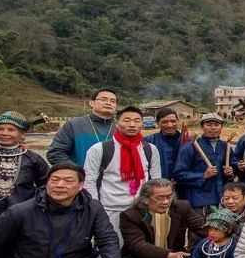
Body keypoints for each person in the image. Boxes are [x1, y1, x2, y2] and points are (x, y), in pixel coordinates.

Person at [83, 106, 162, 238]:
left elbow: (156, 180)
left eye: (137, 121)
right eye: (126, 120)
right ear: (116, 122)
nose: (132, 124)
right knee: (112, 249)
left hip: (142, 210)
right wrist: (96, 209)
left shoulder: (150, 149)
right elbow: (89, 180)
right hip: (111, 211)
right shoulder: (99, 149)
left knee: (142, 250)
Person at [0, 111, 50, 224]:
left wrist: (34, 206)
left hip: (21, 216)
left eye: (11, 130)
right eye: (0, 129)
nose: (5, 133)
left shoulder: (34, 159)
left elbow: (46, 186)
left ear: (21, 134)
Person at [173, 113, 233, 214]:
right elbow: (178, 174)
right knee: (200, 229)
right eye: (209, 124)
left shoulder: (226, 146)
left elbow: (232, 173)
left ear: (222, 127)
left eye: (216, 124)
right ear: (202, 127)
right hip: (199, 201)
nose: (213, 128)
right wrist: (203, 175)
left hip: (222, 200)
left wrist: (230, 173)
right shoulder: (190, 147)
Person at [46, 88, 118, 165]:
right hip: (82, 175)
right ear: (91, 103)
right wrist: (76, 171)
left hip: (115, 176)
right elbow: (55, 153)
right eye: (103, 99)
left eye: (112, 101)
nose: (108, 103)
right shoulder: (74, 125)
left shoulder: (122, 127)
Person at [144, 108, 184, 182]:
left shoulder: (187, 141)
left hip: (184, 186)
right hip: (159, 186)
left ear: (178, 121)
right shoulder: (148, 142)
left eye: (173, 121)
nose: (169, 125)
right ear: (157, 122)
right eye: (164, 122)